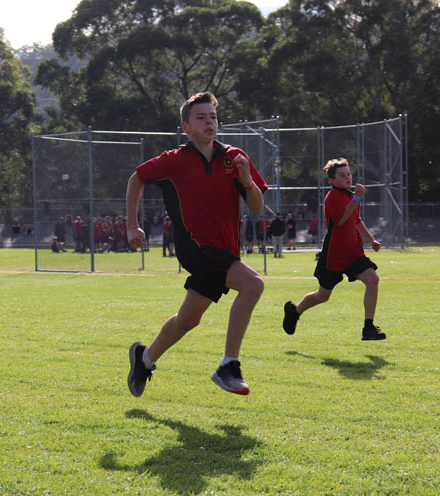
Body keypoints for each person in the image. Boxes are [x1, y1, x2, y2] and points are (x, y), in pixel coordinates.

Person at [126, 92, 268, 396]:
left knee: (189, 319)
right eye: (201, 117)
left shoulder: (235, 157)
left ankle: (144, 358)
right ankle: (228, 366)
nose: (209, 122)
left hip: (224, 251)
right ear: (186, 127)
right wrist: (131, 225)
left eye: (213, 117)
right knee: (253, 284)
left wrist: (247, 181)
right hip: (195, 248)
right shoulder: (173, 160)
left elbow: (256, 206)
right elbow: (136, 178)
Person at [282, 157, 386, 341]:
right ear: (332, 180)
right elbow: (341, 220)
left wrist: (371, 240)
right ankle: (295, 311)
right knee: (323, 296)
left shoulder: (351, 196)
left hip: (353, 253)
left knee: (373, 279)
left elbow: (356, 221)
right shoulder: (333, 196)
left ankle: (368, 328)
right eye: (342, 175)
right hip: (334, 255)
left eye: (348, 174)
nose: (347, 178)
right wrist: (356, 198)